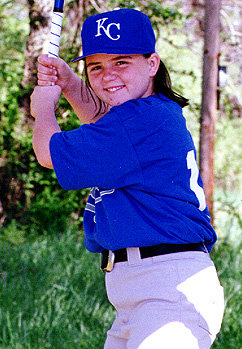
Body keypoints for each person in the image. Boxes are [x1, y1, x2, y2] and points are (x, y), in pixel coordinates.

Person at [30, 8, 224, 349]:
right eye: (95, 67)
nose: (107, 76)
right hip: (143, 291)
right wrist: (72, 85)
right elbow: (102, 119)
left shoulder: (138, 122)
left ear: (152, 64)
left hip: (169, 289)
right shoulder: (148, 113)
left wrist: (43, 108)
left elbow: (47, 154)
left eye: (122, 62)